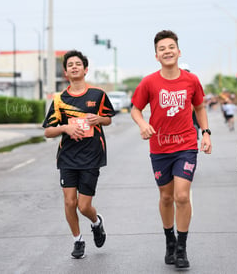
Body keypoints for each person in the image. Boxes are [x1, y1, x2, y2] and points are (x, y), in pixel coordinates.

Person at [130, 30, 212, 269]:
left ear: (179, 51)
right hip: (159, 148)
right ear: (156, 56)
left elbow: (199, 107)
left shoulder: (191, 80)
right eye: (162, 49)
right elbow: (135, 109)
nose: (167, 51)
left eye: (171, 47)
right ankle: (169, 240)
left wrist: (205, 133)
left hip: (186, 145)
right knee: (166, 197)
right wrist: (143, 124)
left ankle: (182, 248)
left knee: (182, 195)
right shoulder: (149, 82)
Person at [42, 50, 115, 259]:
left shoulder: (98, 94)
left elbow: (108, 118)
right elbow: (48, 131)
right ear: (66, 72)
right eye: (70, 65)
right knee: (69, 202)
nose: (74, 67)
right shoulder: (59, 99)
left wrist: (98, 119)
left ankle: (96, 222)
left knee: (84, 206)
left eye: (78, 64)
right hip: (68, 157)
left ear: (85, 69)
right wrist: (65, 128)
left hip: (92, 156)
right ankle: (77, 241)